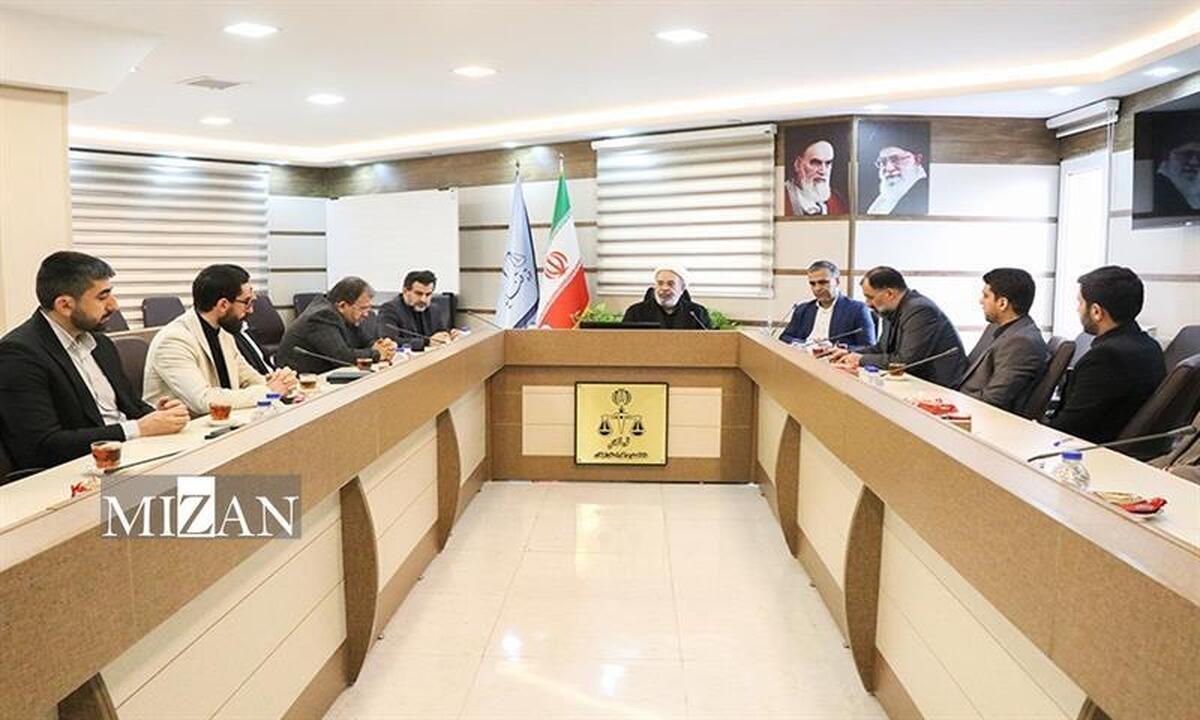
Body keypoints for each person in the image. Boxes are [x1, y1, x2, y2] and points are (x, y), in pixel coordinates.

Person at [0, 252, 188, 472]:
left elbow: (131, 406)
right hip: (80, 472)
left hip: (134, 456)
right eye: (102, 297)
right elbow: (42, 446)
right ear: (65, 305)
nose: (114, 305)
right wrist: (137, 429)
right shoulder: (19, 354)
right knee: (198, 486)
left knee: (207, 476)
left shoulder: (100, 343)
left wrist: (159, 414)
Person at [143, 264, 297, 417]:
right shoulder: (173, 341)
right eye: (247, 302)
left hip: (224, 422)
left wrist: (281, 383)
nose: (251, 310)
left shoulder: (223, 331)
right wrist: (268, 391)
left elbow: (249, 378)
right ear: (223, 305)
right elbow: (203, 400)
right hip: (187, 427)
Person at [1046, 266, 1165, 444]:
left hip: (1089, 451)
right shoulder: (1150, 345)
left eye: (1080, 303)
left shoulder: (1105, 358)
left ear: (1096, 311)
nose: (1077, 309)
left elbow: (1069, 427)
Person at [831, 266, 966, 387]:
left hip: (939, 386)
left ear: (889, 294)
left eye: (870, 297)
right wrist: (851, 353)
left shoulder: (920, 310)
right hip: (912, 381)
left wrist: (861, 359)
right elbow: (881, 349)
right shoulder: (890, 308)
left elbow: (905, 362)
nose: (867, 304)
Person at [955, 268, 1049, 413]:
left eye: (986, 296)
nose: (980, 301)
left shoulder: (1021, 342)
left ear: (1002, 303)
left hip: (978, 416)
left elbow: (993, 399)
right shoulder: (996, 328)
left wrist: (950, 404)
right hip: (963, 404)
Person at [276, 276, 397, 373]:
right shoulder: (322, 316)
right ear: (342, 306)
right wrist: (377, 354)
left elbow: (362, 340)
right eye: (362, 308)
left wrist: (380, 346)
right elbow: (341, 357)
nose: (366, 314)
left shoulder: (345, 315)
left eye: (368, 308)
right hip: (301, 381)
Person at [779, 260, 875, 346]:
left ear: (837, 281)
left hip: (835, 358)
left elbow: (867, 347)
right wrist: (804, 344)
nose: (817, 288)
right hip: (803, 356)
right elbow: (785, 338)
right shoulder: (802, 309)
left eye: (823, 282)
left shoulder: (857, 309)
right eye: (812, 284)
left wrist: (837, 348)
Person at [378, 270, 460, 351]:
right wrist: (426, 342)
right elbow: (390, 341)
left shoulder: (434, 309)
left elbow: (441, 332)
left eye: (428, 294)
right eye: (418, 294)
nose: (423, 299)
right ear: (405, 291)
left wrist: (450, 334)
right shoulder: (389, 309)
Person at [622, 266, 711, 329]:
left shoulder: (698, 313)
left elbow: (709, 342)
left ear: (682, 288)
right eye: (660, 283)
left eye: (671, 284)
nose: (664, 288)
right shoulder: (635, 313)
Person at [784, 140, 848, 216]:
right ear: (798, 164)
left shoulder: (837, 201)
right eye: (816, 163)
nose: (823, 171)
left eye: (828, 163)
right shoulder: (782, 198)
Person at [866, 142, 928, 215]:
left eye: (896, 159)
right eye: (883, 162)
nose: (889, 168)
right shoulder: (883, 199)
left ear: (917, 160)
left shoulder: (923, 194)